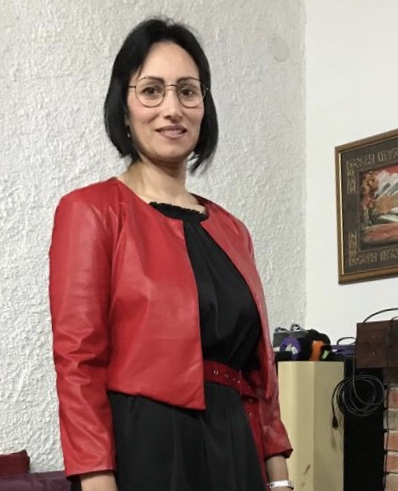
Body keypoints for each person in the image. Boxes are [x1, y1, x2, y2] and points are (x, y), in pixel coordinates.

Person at [49, 17, 293, 491]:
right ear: (123, 108)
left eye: (187, 91)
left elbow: (260, 372)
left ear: (204, 107)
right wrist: (96, 477)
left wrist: (279, 478)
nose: (172, 108)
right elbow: (78, 362)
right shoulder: (92, 211)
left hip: (235, 445)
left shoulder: (232, 230)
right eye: (151, 91)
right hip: (148, 446)